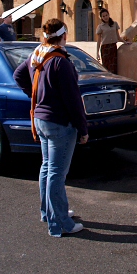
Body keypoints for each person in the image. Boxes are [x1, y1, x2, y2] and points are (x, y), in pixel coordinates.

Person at [13, 19, 88, 237]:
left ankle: (49, 211)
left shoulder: (38, 54)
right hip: (59, 122)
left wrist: (36, 96)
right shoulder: (60, 61)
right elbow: (73, 100)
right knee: (56, 172)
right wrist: (83, 129)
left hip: (41, 119)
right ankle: (60, 222)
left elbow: (19, 75)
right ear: (64, 35)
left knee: (47, 167)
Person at [96, 8, 130, 74]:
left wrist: (125, 42)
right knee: (106, 66)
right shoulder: (100, 27)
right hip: (105, 48)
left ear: (109, 15)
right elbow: (99, 40)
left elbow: (118, 37)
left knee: (113, 66)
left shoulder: (114, 24)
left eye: (106, 15)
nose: (105, 17)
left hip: (113, 47)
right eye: (103, 16)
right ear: (101, 18)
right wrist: (97, 53)